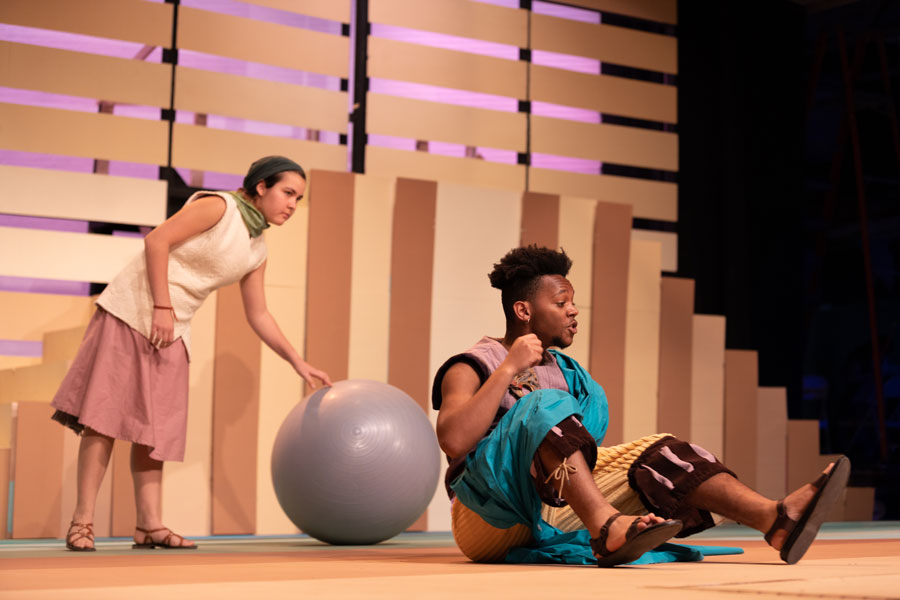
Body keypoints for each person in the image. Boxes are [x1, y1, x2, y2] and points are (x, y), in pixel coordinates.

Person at [433, 245, 850, 567]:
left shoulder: (568, 372)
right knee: (544, 405)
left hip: (550, 510)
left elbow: (578, 457)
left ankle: (775, 519)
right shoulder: (475, 364)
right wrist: (507, 370)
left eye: (572, 301)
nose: (573, 310)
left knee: (660, 451)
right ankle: (609, 527)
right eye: (560, 304)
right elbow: (452, 440)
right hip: (486, 519)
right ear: (523, 310)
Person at [52, 156, 332, 552]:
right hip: (133, 310)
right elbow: (156, 240)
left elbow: (259, 313)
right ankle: (82, 522)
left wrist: (296, 360)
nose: (292, 204)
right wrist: (162, 308)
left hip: (172, 328)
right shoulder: (220, 206)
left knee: (156, 431)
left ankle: (148, 525)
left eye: (299, 199)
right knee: (103, 419)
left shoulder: (256, 248)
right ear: (261, 187)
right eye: (288, 193)